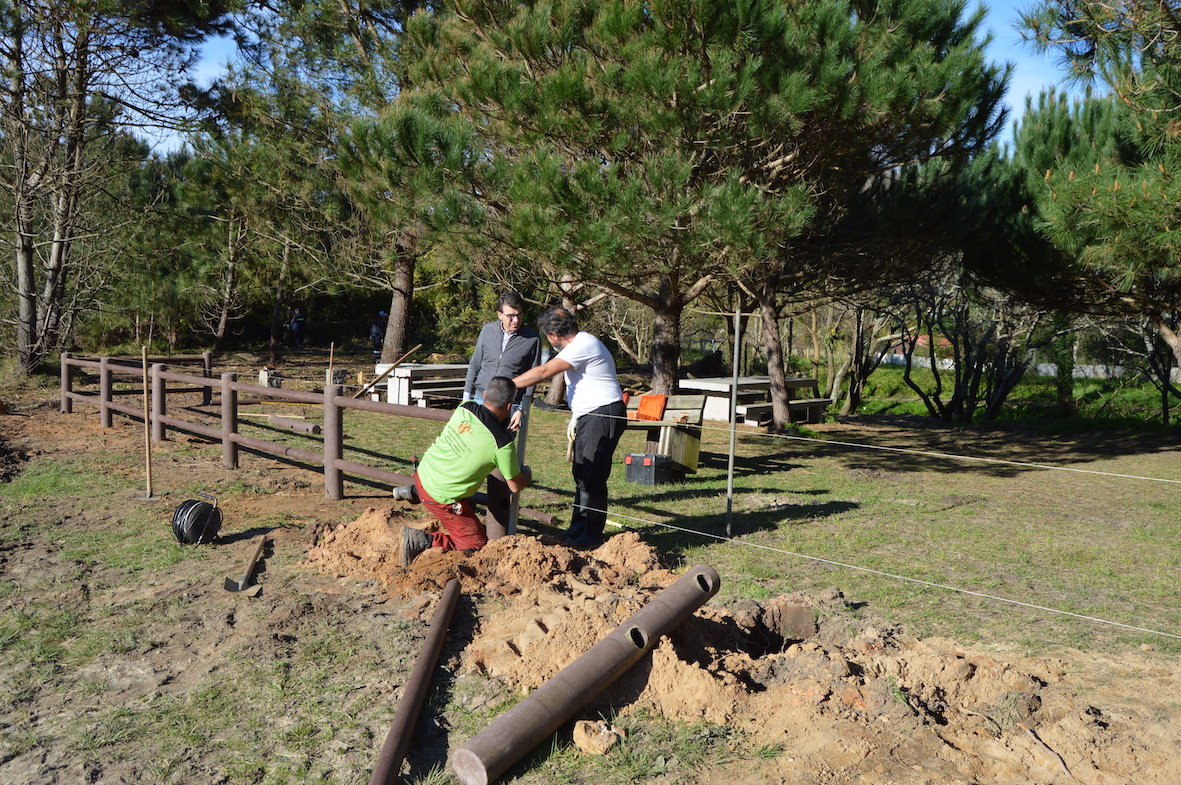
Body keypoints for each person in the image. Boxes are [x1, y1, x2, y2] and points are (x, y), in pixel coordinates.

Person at [511, 307, 625, 549]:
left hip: (602, 414)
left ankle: (591, 536)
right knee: (582, 473)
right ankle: (577, 529)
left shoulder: (583, 345)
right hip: (589, 415)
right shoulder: (580, 343)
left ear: (553, 335)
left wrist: (507, 386)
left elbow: (544, 371)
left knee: (593, 476)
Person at [392, 376, 532, 566]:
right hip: (441, 497)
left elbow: (481, 429)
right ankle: (422, 540)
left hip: (423, 474)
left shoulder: (465, 407)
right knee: (475, 545)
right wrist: (527, 474)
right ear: (509, 407)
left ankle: (413, 491)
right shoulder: (502, 444)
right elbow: (515, 486)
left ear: (484, 395)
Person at [463, 292, 542, 428]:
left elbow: (533, 377)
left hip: (510, 406)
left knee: (502, 447)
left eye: (519, 315)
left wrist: (522, 409)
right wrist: (466, 397)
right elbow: (475, 364)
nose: (516, 320)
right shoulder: (487, 331)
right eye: (511, 316)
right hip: (480, 399)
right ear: (499, 314)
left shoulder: (532, 339)